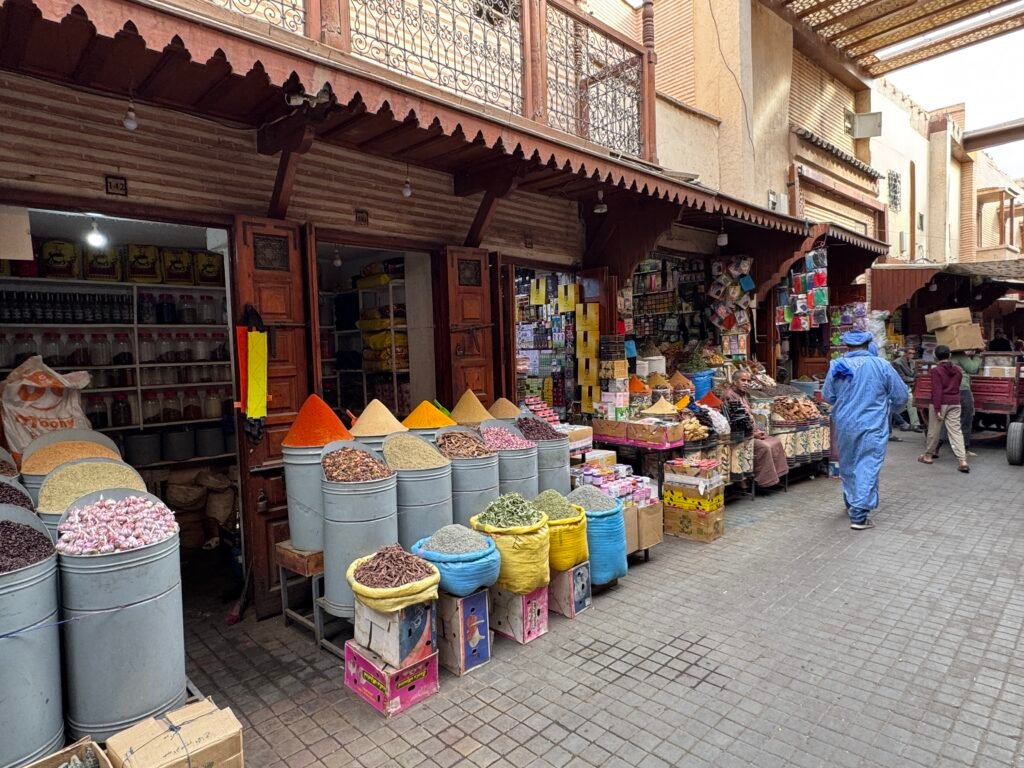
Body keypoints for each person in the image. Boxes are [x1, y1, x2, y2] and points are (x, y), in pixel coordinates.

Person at [822, 330, 908, 530]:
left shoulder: (837, 365)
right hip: (872, 424)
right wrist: (891, 409)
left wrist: (845, 402)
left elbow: (828, 396)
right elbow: (901, 396)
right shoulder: (881, 365)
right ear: (869, 343)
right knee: (867, 463)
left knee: (848, 462)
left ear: (846, 346)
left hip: (844, 424)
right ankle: (859, 514)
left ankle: (851, 500)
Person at [722, 370, 788, 488]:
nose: (746, 383)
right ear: (734, 381)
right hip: (740, 437)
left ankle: (777, 477)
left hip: (751, 432)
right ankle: (763, 481)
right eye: (743, 380)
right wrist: (753, 434)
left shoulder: (743, 395)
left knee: (776, 441)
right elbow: (736, 422)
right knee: (765, 447)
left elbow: (748, 416)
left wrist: (756, 430)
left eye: (748, 381)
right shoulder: (729, 395)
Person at [919, 345, 969, 473]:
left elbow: (937, 391)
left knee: (934, 430)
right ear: (950, 355)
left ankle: (928, 455)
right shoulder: (958, 369)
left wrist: (936, 409)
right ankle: (962, 460)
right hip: (955, 402)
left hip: (941, 403)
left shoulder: (936, 371)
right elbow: (957, 385)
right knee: (956, 431)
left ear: (935, 356)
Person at [949, 348, 981, 455]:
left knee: (949, 419)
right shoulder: (960, 355)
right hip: (962, 389)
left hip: (948, 389)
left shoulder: (944, 354)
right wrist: (977, 355)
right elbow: (973, 368)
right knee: (965, 418)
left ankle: (935, 449)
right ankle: (964, 448)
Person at [890, 347, 922, 432]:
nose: (912, 355)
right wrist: (914, 380)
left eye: (913, 353)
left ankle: (906, 423)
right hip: (901, 386)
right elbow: (901, 377)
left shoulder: (913, 362)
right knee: (910, 400)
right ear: (905, 353)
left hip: (911, 384)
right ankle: (915, 424)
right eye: (910, 353)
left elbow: (915, 374)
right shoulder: (897, 362)